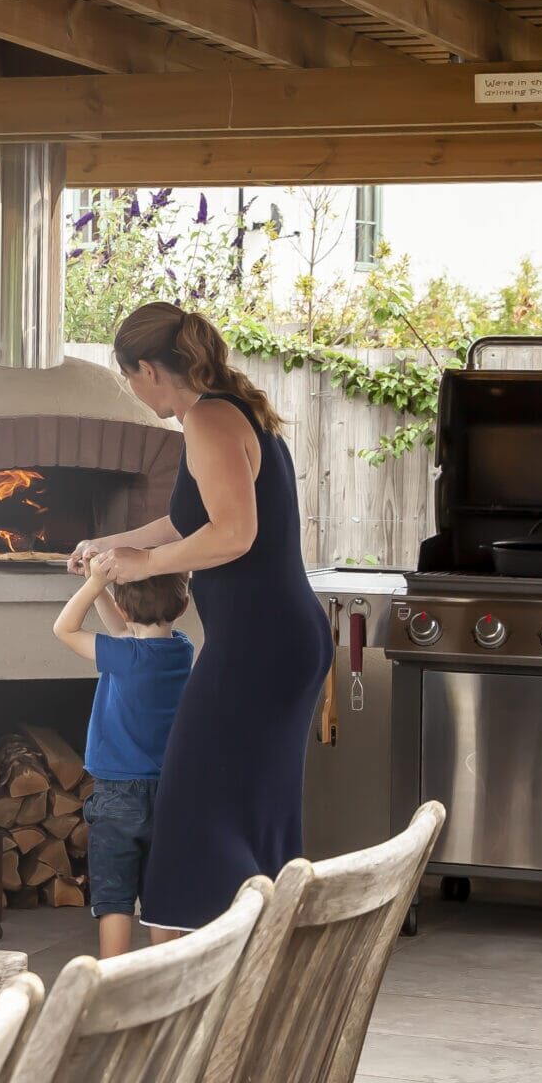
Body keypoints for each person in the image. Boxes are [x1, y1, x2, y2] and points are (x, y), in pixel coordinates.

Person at [72, 303, 331, 932]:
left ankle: (188, 961)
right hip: (278, 639)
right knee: (251, 807)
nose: (134, 392)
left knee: (193, 804)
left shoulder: (209, 420)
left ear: (149, 370)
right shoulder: (231, 410)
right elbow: (201, 517)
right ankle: (257, 944)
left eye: (128, 378)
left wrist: (144, 561)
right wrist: (117, 546)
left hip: (258, 647)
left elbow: (235, 534)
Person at [50, 551, 194, 958]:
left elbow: (64, 628)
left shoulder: (125, 656)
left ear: (122, 603)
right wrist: (104, 594)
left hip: (117, 797)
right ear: (183, 606)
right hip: (169, 793)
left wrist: (94, 583)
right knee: (161, 895)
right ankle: (164, 979)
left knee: (114, 897)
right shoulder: (181, 651)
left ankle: (113, 982)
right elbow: (125, 634)